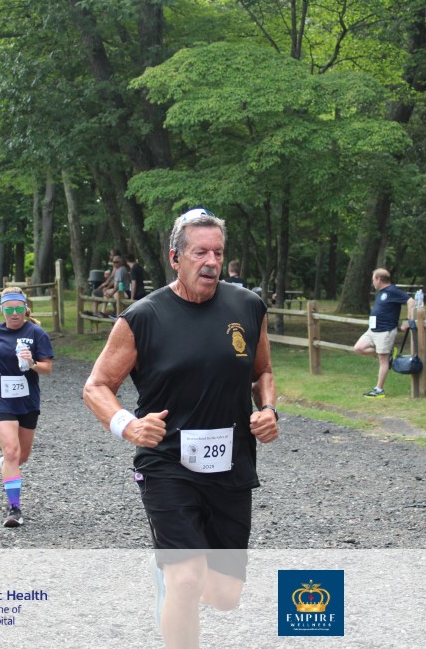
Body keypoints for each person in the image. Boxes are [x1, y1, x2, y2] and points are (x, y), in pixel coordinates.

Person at [83, 208, 278, 647]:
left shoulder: (247, 306)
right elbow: (96, 386)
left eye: (218, 252)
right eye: (199, 252)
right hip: (167, 463)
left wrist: (268, 409)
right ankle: (175, 576)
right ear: (175, 258)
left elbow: (262, 371)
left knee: (225, 596)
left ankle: (171, 573)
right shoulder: (142, 318)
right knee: (187, 581)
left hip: (231, 464)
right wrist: (128, 426)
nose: (211, 261)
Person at [0, 286, 54, 528]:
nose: (14, 314)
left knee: (21, 456)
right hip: (1, 401)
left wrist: (32, 363)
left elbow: (47, 368)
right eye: (9, 310)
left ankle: (8, 466)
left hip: (27, 402)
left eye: (18, 309)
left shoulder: (36, 333)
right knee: (11, 451)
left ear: (26, 309)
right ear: (2, 310)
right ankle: (14, 509)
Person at [353, 268, 415, 398]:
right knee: (358, 348)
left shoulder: (392, 290)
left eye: (373, 280)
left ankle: (379, 389)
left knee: (383, 360)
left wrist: (407, 321)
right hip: (373, 329)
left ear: (379, 279)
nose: (372, 282)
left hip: (385, 331)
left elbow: (411, 301)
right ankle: (389, 355)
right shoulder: (382, 292)